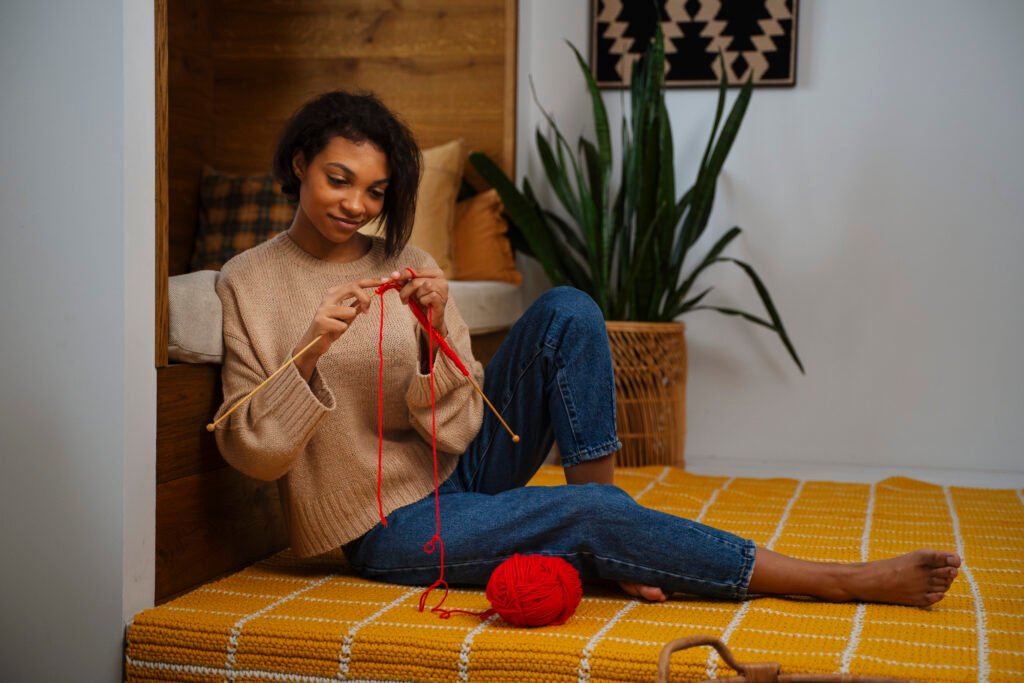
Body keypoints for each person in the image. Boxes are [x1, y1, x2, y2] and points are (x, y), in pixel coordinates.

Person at [213, 91, 960, 608]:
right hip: (382, 527)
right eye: (339, 180)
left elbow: (460, 425)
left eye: (375, 191)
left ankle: (614, 528)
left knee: (569, 308)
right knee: (589, 517)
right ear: (298, 166)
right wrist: (309, 351)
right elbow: (253, 452)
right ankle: (832, 579)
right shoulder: (245, 282)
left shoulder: (408, 262)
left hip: (459, 467)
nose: (357, 204)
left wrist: (436, 339)